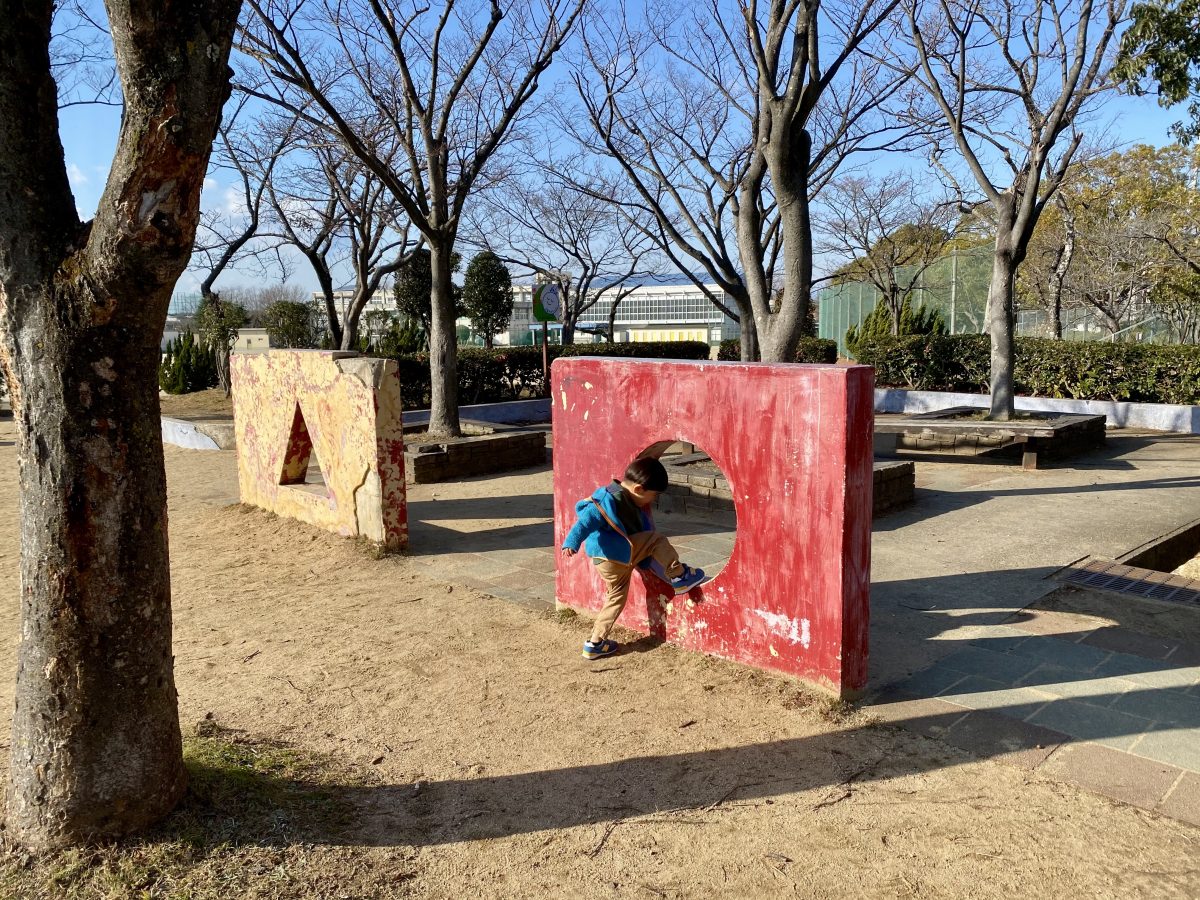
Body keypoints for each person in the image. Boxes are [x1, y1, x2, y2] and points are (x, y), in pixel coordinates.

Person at [560, 457, 707, 660]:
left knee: (615, 599)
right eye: (653, 496)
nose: (652, 501)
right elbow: (584, 522)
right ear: (638, 489)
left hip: (606, 563)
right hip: (616, 556)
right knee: (655, 540)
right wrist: (571, 542)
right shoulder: (605, 501)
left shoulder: (623, 497)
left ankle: (595, 643)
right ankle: (679, 576)